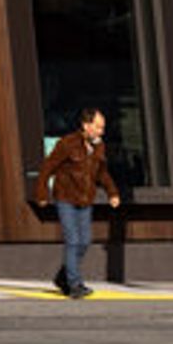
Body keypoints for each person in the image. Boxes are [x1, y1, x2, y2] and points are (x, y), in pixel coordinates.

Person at [32, 107, 122, 297]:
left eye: (102, 128)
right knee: (73, 241)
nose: (101, 131)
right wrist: (41, 193)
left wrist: (112, 192)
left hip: (85, 199)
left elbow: (102, 173)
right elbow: (48, 167)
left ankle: (62, 277)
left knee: (85, 241)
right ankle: (74, 284)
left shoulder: (99, 146)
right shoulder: (67, 144)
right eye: (98, 127)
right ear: (86, 125)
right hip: (65, 198)